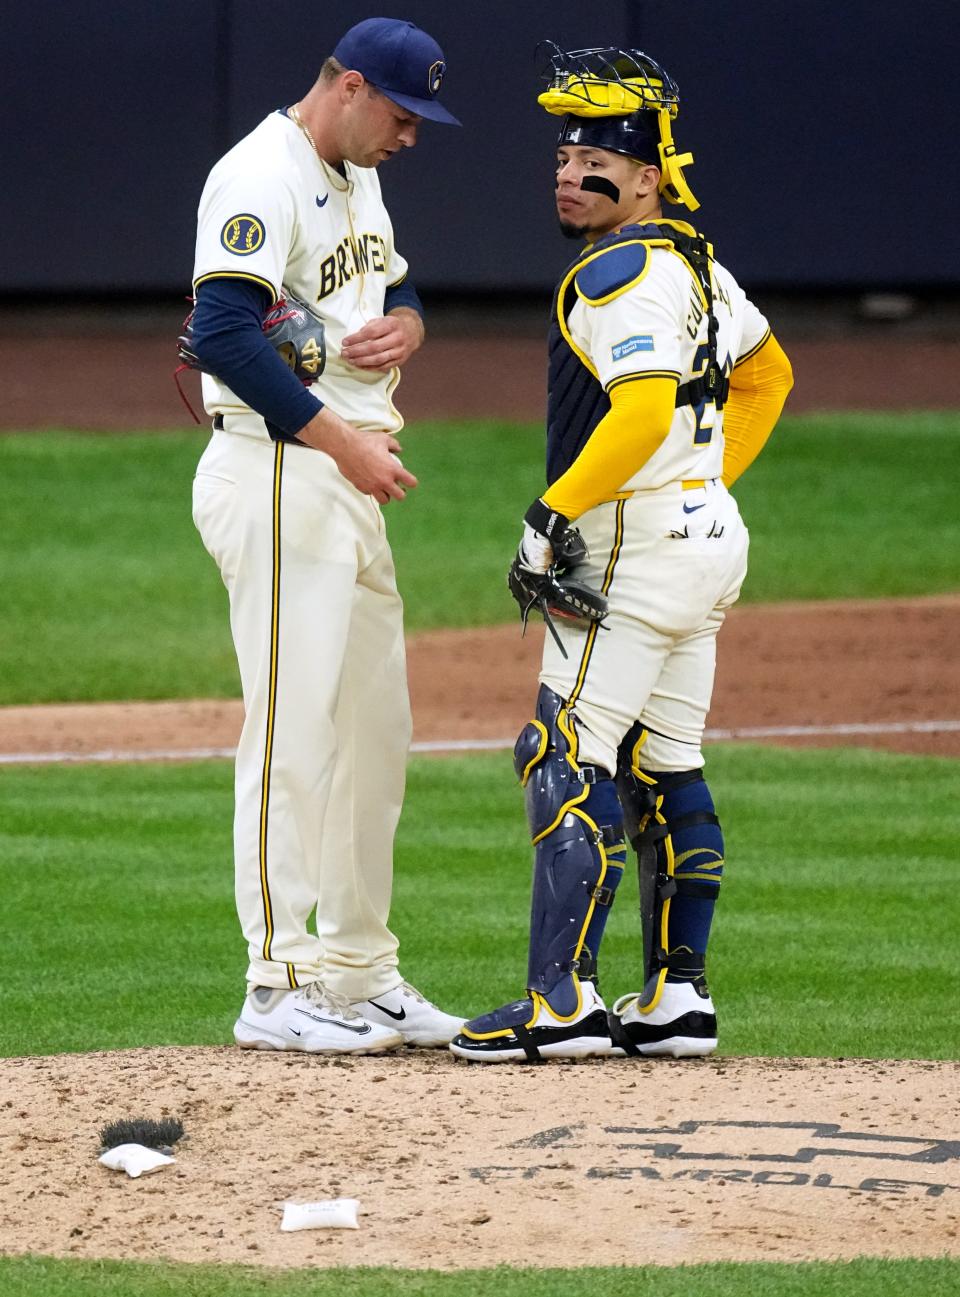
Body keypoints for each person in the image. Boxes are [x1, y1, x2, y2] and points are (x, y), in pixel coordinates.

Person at [451, 44, 793, 1063]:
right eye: (564, 154)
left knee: (565, 753)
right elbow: (769, 379)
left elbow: (643, 411)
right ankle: (676, 999)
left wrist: (554, 512)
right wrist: (705, 481)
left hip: (634, 557)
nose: (572, 169)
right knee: (667, 762)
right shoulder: (697, 263)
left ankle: (559, 1003)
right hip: (705, 546)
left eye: (598, 156)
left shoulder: (616, 272)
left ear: (648, 178)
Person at [189, 18, 463, 1054]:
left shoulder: (353, 172)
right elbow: (219, 332)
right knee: (291, 731)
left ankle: (358, 968)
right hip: (278, 467)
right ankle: (276, 983)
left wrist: (413, 323)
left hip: (342, 473)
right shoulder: (258, 174)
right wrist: (344, 443)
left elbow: (390, 281)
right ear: (348, 87)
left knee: (371, 736)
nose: (410, 136)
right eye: (400, 114)